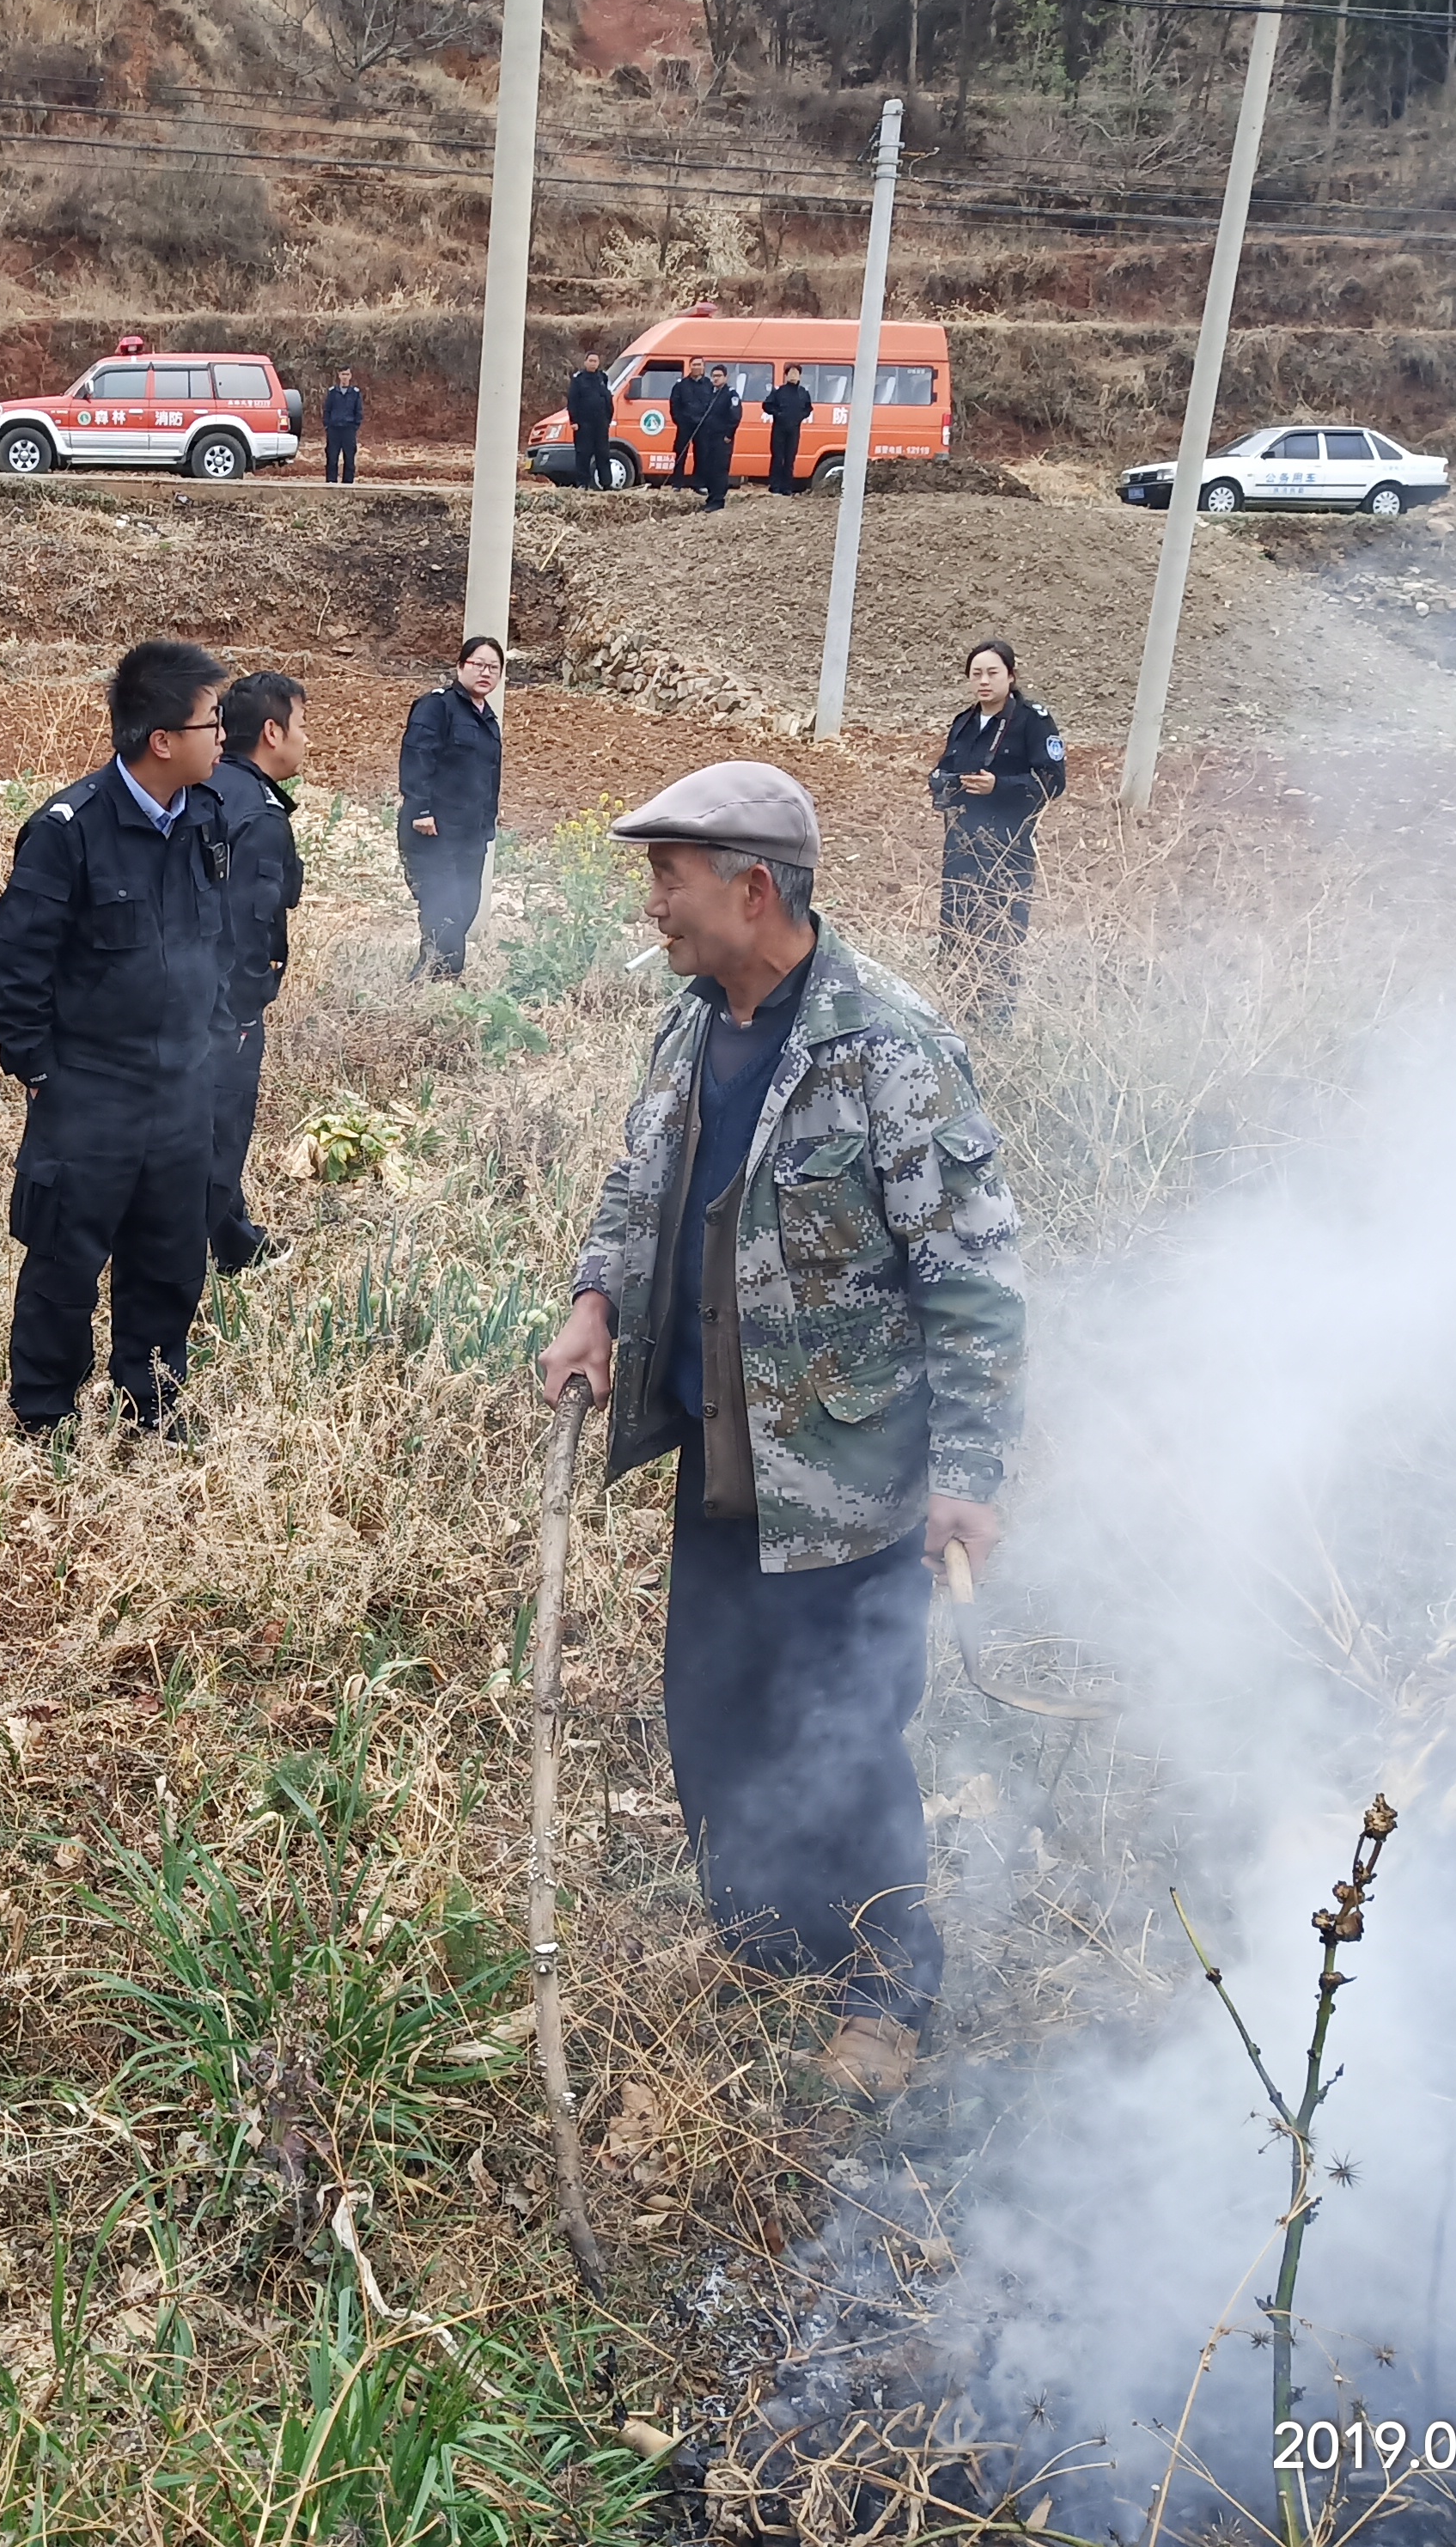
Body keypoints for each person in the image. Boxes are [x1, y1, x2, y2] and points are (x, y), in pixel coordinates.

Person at [537, 761, 1027, 2102]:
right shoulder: (692, 1028)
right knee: (715, 1712)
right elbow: (639, 1186)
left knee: (848, 1732)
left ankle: (885, 1988)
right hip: (720, 1457)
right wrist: (593, 1306)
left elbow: (975, 1280)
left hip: (854, 1481)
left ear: (754, 890)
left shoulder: (892, 1051)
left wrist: (971, 1475)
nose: (654, 906)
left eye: (669, 878)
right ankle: (766, 1944)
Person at [0, 640, 236, 1438]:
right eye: (211, 719)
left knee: (171, 1254)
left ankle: (152, 1400)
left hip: (181, 1090)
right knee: (65, 1256)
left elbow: (216, 942)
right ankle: (45, 1413)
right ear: (162, 739)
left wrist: (214, 1037)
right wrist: (43, 1072)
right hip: (90, 1090)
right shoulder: (70, 830)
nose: (224, 733)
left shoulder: (206, 818)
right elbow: (13, 960)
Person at [202, 670, 309, 1274]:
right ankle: (206, 1257)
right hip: (224, 1009)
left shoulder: (207, 783)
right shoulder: (261, 815)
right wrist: (243, 1010)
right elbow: (249, 924)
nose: (305, 740)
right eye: (301, 725)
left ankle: (233, 1236)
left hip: (188, 993)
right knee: (222, 1128)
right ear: (272, 731)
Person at [927, 637, 1067, 1006]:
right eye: (976, 674)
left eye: (992, 673)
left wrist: (998, 787)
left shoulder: (1032, 721)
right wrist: (946, 784)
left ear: (1011, 676)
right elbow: (942, 772)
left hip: (1008, 850)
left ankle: (997, 1025)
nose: (984, 681)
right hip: (960, 850)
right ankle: (956, 1011)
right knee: (956, 934)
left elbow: (1052, 781)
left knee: (999, 940)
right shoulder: (964, 723)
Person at [395, 636, 504, 978]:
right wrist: (420, 810)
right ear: (460, 666)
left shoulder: (489, 720)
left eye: (494, 668)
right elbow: (417, 756)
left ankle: (433, 981)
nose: (485, 673)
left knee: (465, 910)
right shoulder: (437, 707)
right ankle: (437, 985)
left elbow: (489, 780)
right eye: (478, 664)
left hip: (469, 835)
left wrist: (488, 827)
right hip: (433, 832)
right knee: (444, 911)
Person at [692, 363, 743, 511]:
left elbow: (735, 416)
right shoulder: (712, 394)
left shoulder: (730, 394)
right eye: (713, 376)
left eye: (719, 376)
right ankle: (711, 497)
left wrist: (729, 435)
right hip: (709, 438)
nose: (715, 379)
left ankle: (718, 500)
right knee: (710, 468)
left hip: (722, 438)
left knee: (720, 469)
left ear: (726, 377)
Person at [761, 363, 817, 496]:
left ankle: (787, 487)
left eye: (796, 373)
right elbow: (767, 405)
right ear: (786, 375)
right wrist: (778, 414)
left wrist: (800, 417)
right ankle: (775, 486)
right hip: (779, 429)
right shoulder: (779, 391)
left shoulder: (803, 392)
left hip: (794, 430)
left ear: (800, 376)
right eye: (791, 373)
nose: (793, 376)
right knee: (777, 457)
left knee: (790, 458)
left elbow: (808, 409)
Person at [566, 350, 618, 491]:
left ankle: (606, 483)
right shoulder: (578, 380)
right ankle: (583, 484)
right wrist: (574, 421)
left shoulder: (603, 378)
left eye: (595, 361)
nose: (593, 363)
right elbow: (573, 401)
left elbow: (608, 398)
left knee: (603, 454)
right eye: (591, 361)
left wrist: (608, 419)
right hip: (584, 424)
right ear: (585, 362)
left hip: (601, 424)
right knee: (583, 454)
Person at [663, 363, 710, 491]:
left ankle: (699, 484)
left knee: (702, 454)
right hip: (685, 424)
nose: (697, 367)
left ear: (703, 367)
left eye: (699, 365)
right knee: (680, 453)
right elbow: (674, 404)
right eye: (694, 365)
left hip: (702, 425)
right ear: (690, 367)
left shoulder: (709, 385)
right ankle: (677, 484)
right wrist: (679, 420)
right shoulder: (681, 385)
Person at [323, 369, 364, 485]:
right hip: (334, 430)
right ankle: (331, 482)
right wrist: (327, 426)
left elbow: (359, 411)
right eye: (343, 374)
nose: (345, 377)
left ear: (350, 376)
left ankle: (348, 483)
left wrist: (354, 426)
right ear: (339, 376)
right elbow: (327, 410)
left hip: (348, 430)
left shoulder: (355, 393)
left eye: (347, 374)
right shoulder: (332, 392)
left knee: (350, 458)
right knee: (332, 458)